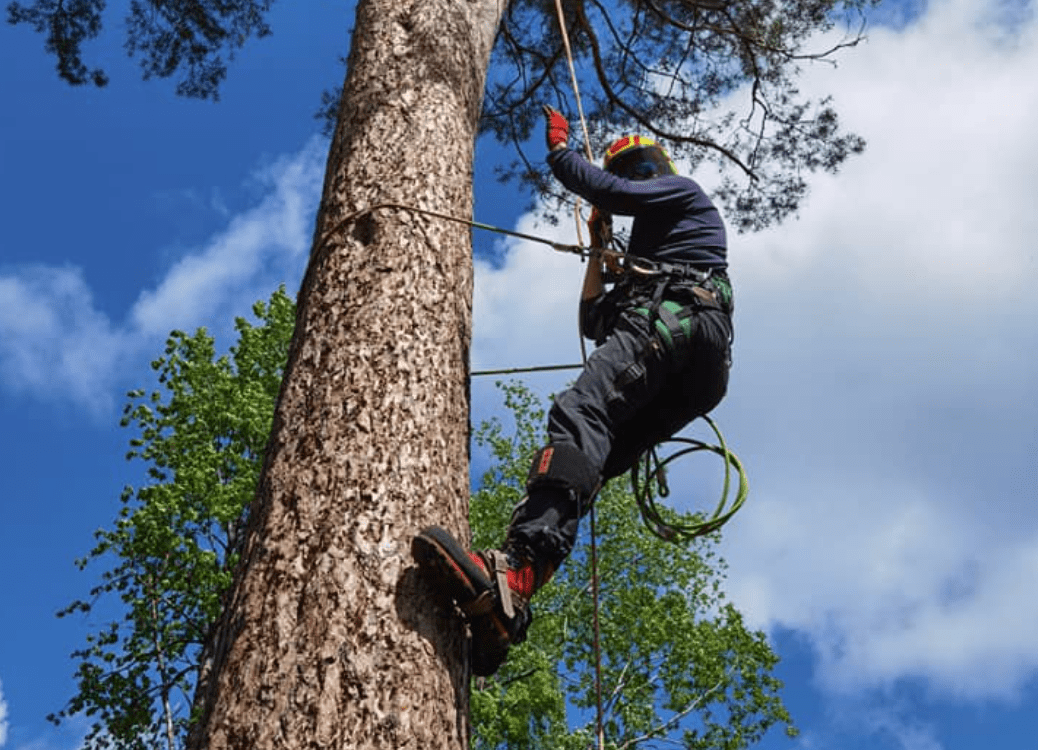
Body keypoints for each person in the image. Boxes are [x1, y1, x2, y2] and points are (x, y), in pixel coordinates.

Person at [413, 106, 734, 676]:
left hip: (677, 321)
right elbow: (593, 320)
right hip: (692, 359)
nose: (639, 177)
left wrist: (563, 155)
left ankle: (513, 572)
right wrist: (598, 250)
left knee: (580, 410)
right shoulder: (654, 257)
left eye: (642, 168)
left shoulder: (684, 197)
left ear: (656, 170)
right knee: (586, 461)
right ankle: (515, 592)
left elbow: (605, 185)